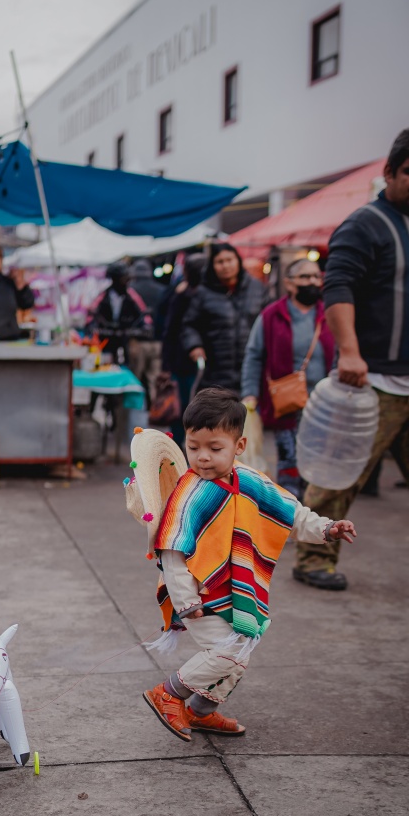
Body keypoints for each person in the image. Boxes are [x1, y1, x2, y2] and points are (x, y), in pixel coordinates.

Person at [133, 388, 355, 741]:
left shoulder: (250, 481)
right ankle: (169, 693)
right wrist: (185, 601)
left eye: (215, 448)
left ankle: (200, 711)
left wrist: (326, 528)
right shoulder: (188, 495)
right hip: (199, 595)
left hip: (235, 587)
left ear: (239, 446)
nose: (203, 457)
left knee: (240, 652)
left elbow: (290, 512)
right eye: (194, 447)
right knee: (226, 653)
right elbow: (172, 552)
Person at [292, 127, 409, 594]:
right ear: (389, 173)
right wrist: (350, 352)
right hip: (371, 382)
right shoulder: (363, 224)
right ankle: (314, 559)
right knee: (338, 478)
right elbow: (336, 285)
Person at [240, 257, 335, 498]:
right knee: (289, 462)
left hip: (323, 404)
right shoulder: (271, 316)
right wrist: (250, 392)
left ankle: (316, 518)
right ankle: (289, 516)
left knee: (319, 463)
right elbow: (254, 355)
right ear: (289, 283)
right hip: (285, 404)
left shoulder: (330, 314)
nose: (312, 281)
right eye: (305, 277)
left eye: (316, 276)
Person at [180, 242, 269, 395]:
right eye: (220, 262)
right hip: (215, 370)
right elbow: (189, 324)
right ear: (212, 266)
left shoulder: (258, 289)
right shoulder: (203, 293)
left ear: (238, 261)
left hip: (252, 370)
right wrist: (195, 346)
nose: (225, 266)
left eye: (229, 260)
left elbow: (269, 322)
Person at [160, 252, 204, 444]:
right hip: (184, 362)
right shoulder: (181, 295)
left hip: (186, 362)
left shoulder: (183, 294)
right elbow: (170, 330)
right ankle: (182, 449)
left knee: (186, 409)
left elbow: (167, 329)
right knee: (185, 408)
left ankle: (183, 448)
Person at [84, 260, 153, 364]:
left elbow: (144, 314)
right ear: (115, 279)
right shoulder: (103, 296)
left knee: (129, 362)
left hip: (125, 339)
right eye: (124, 278)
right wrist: (92, 326)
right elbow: (92, 314)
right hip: (107, 339)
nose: (127, 281)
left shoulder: (132, 295)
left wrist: (146, 326)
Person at [127, 258, 165, 406]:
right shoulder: (161, 290)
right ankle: (155, 413)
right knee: (154, 380)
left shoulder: (130, 290)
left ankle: (136, 414)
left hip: (137, 342)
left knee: (135, 381)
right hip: (157, 342)